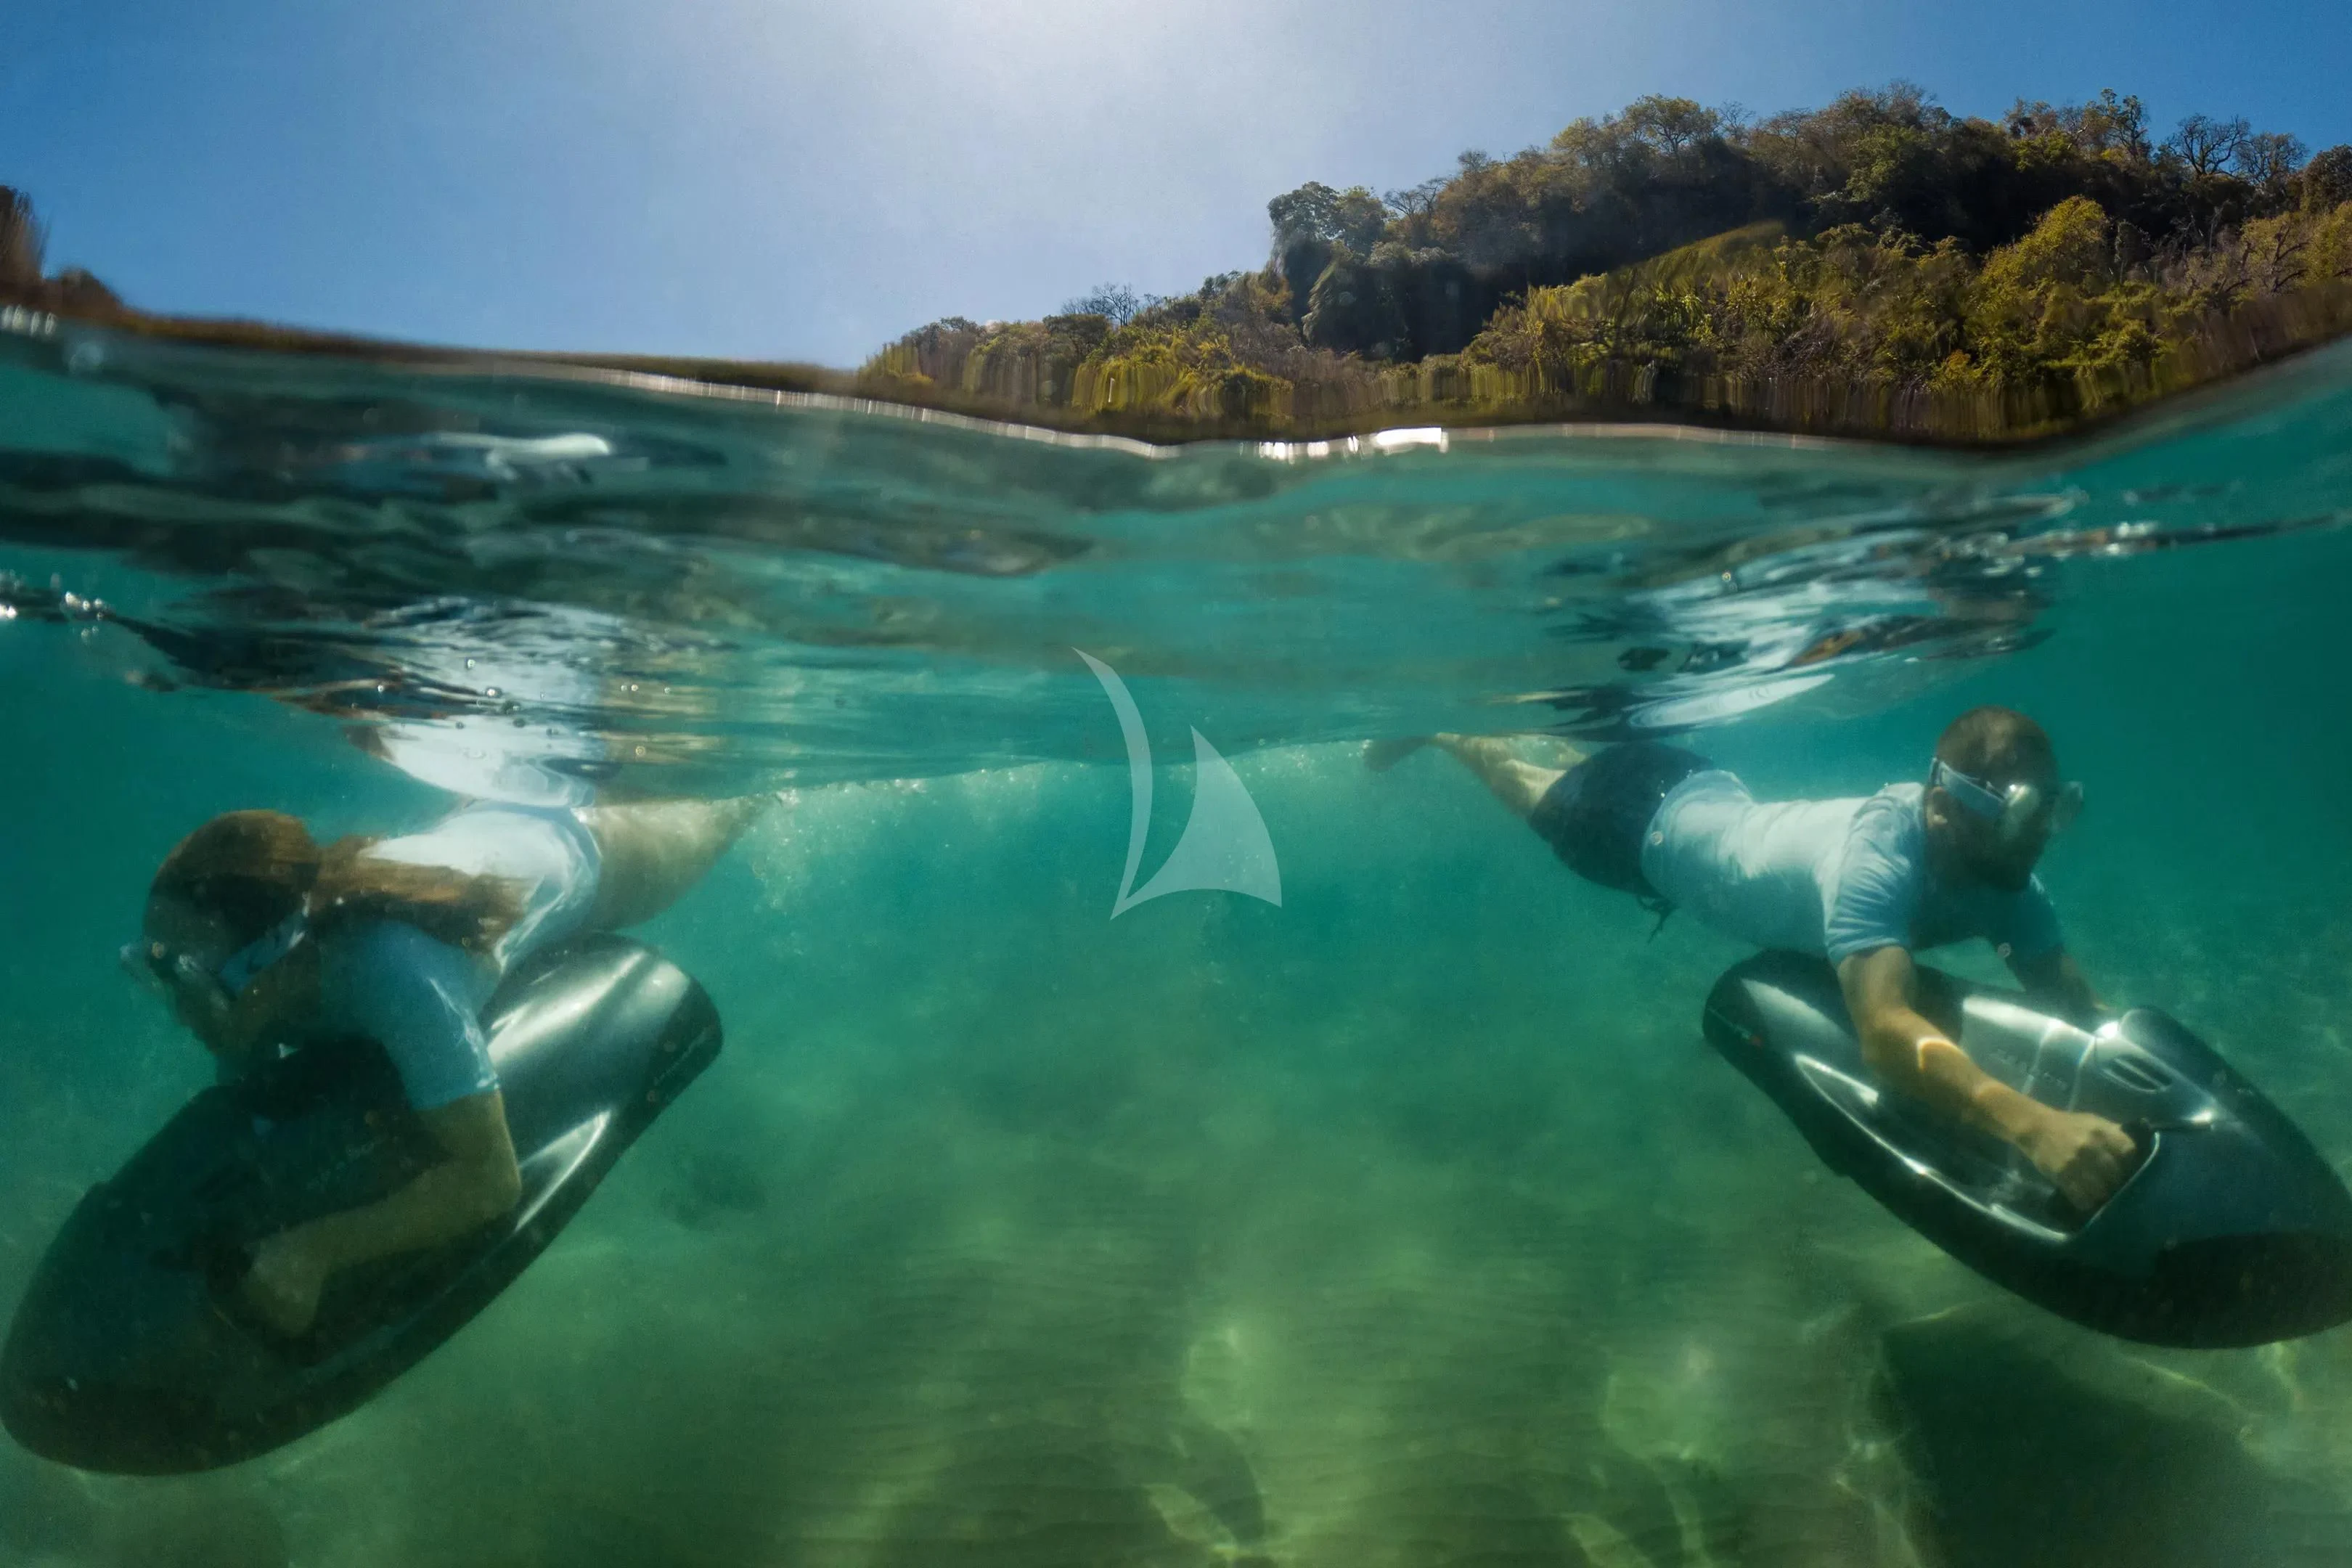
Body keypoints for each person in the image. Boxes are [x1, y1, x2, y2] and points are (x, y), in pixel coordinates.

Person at [1370, 706, 2139, 1212]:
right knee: (1524, 782)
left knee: (1577, 772)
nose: (2040, 839)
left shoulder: (2005, 874)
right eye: (2025, 818)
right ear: (1946, 808)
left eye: (2054, 811)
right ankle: (1445, 727)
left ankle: (1542, 750)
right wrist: (2035, 1127)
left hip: (1696, 781)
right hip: (1631, 831)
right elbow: (1884, 1032)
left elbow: (2073, 1003)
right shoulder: (1878, 859)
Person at [123, 796, 769, 1336]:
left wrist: (313, 1252)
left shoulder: (396, 976)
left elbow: (490, 1183)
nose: (179, 1006)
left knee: (723, 811)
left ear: (261, 967)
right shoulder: (263, 986)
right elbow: (247, 1071)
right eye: (155, 969)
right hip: (492, 816)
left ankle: (767, 791)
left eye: (183, 978)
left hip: (595, 854)